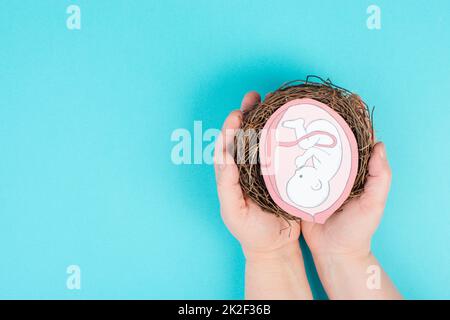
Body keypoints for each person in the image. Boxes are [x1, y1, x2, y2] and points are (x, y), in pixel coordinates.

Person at [214, 91, 402, 300]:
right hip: (319, 134)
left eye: (296, 175)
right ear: (316, 184)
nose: (297, 170)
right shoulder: (326, 165)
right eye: (300, 175)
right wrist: (347, 255)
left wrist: (270, 255)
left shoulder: (317, 166)